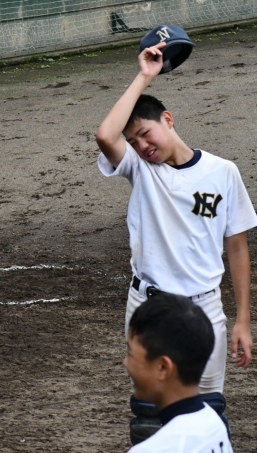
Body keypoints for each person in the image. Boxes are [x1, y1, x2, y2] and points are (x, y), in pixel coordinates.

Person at [95, 41, 257, 443]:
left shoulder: (223, 172)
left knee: (207, 410)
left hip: (204, 307)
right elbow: (105, 134)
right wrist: (145, 76)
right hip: (148, 304)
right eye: (133, 142)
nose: (141, 146)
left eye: (145, 134)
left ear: (167, 120)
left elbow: (237, 247)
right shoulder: (140, 169)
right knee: (149, 417)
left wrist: (242, 319)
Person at [124, 293, 232, 452]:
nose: (125, 363)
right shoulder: (216, 426)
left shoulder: (154, 449)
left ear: (163, 368)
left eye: (131, 355)